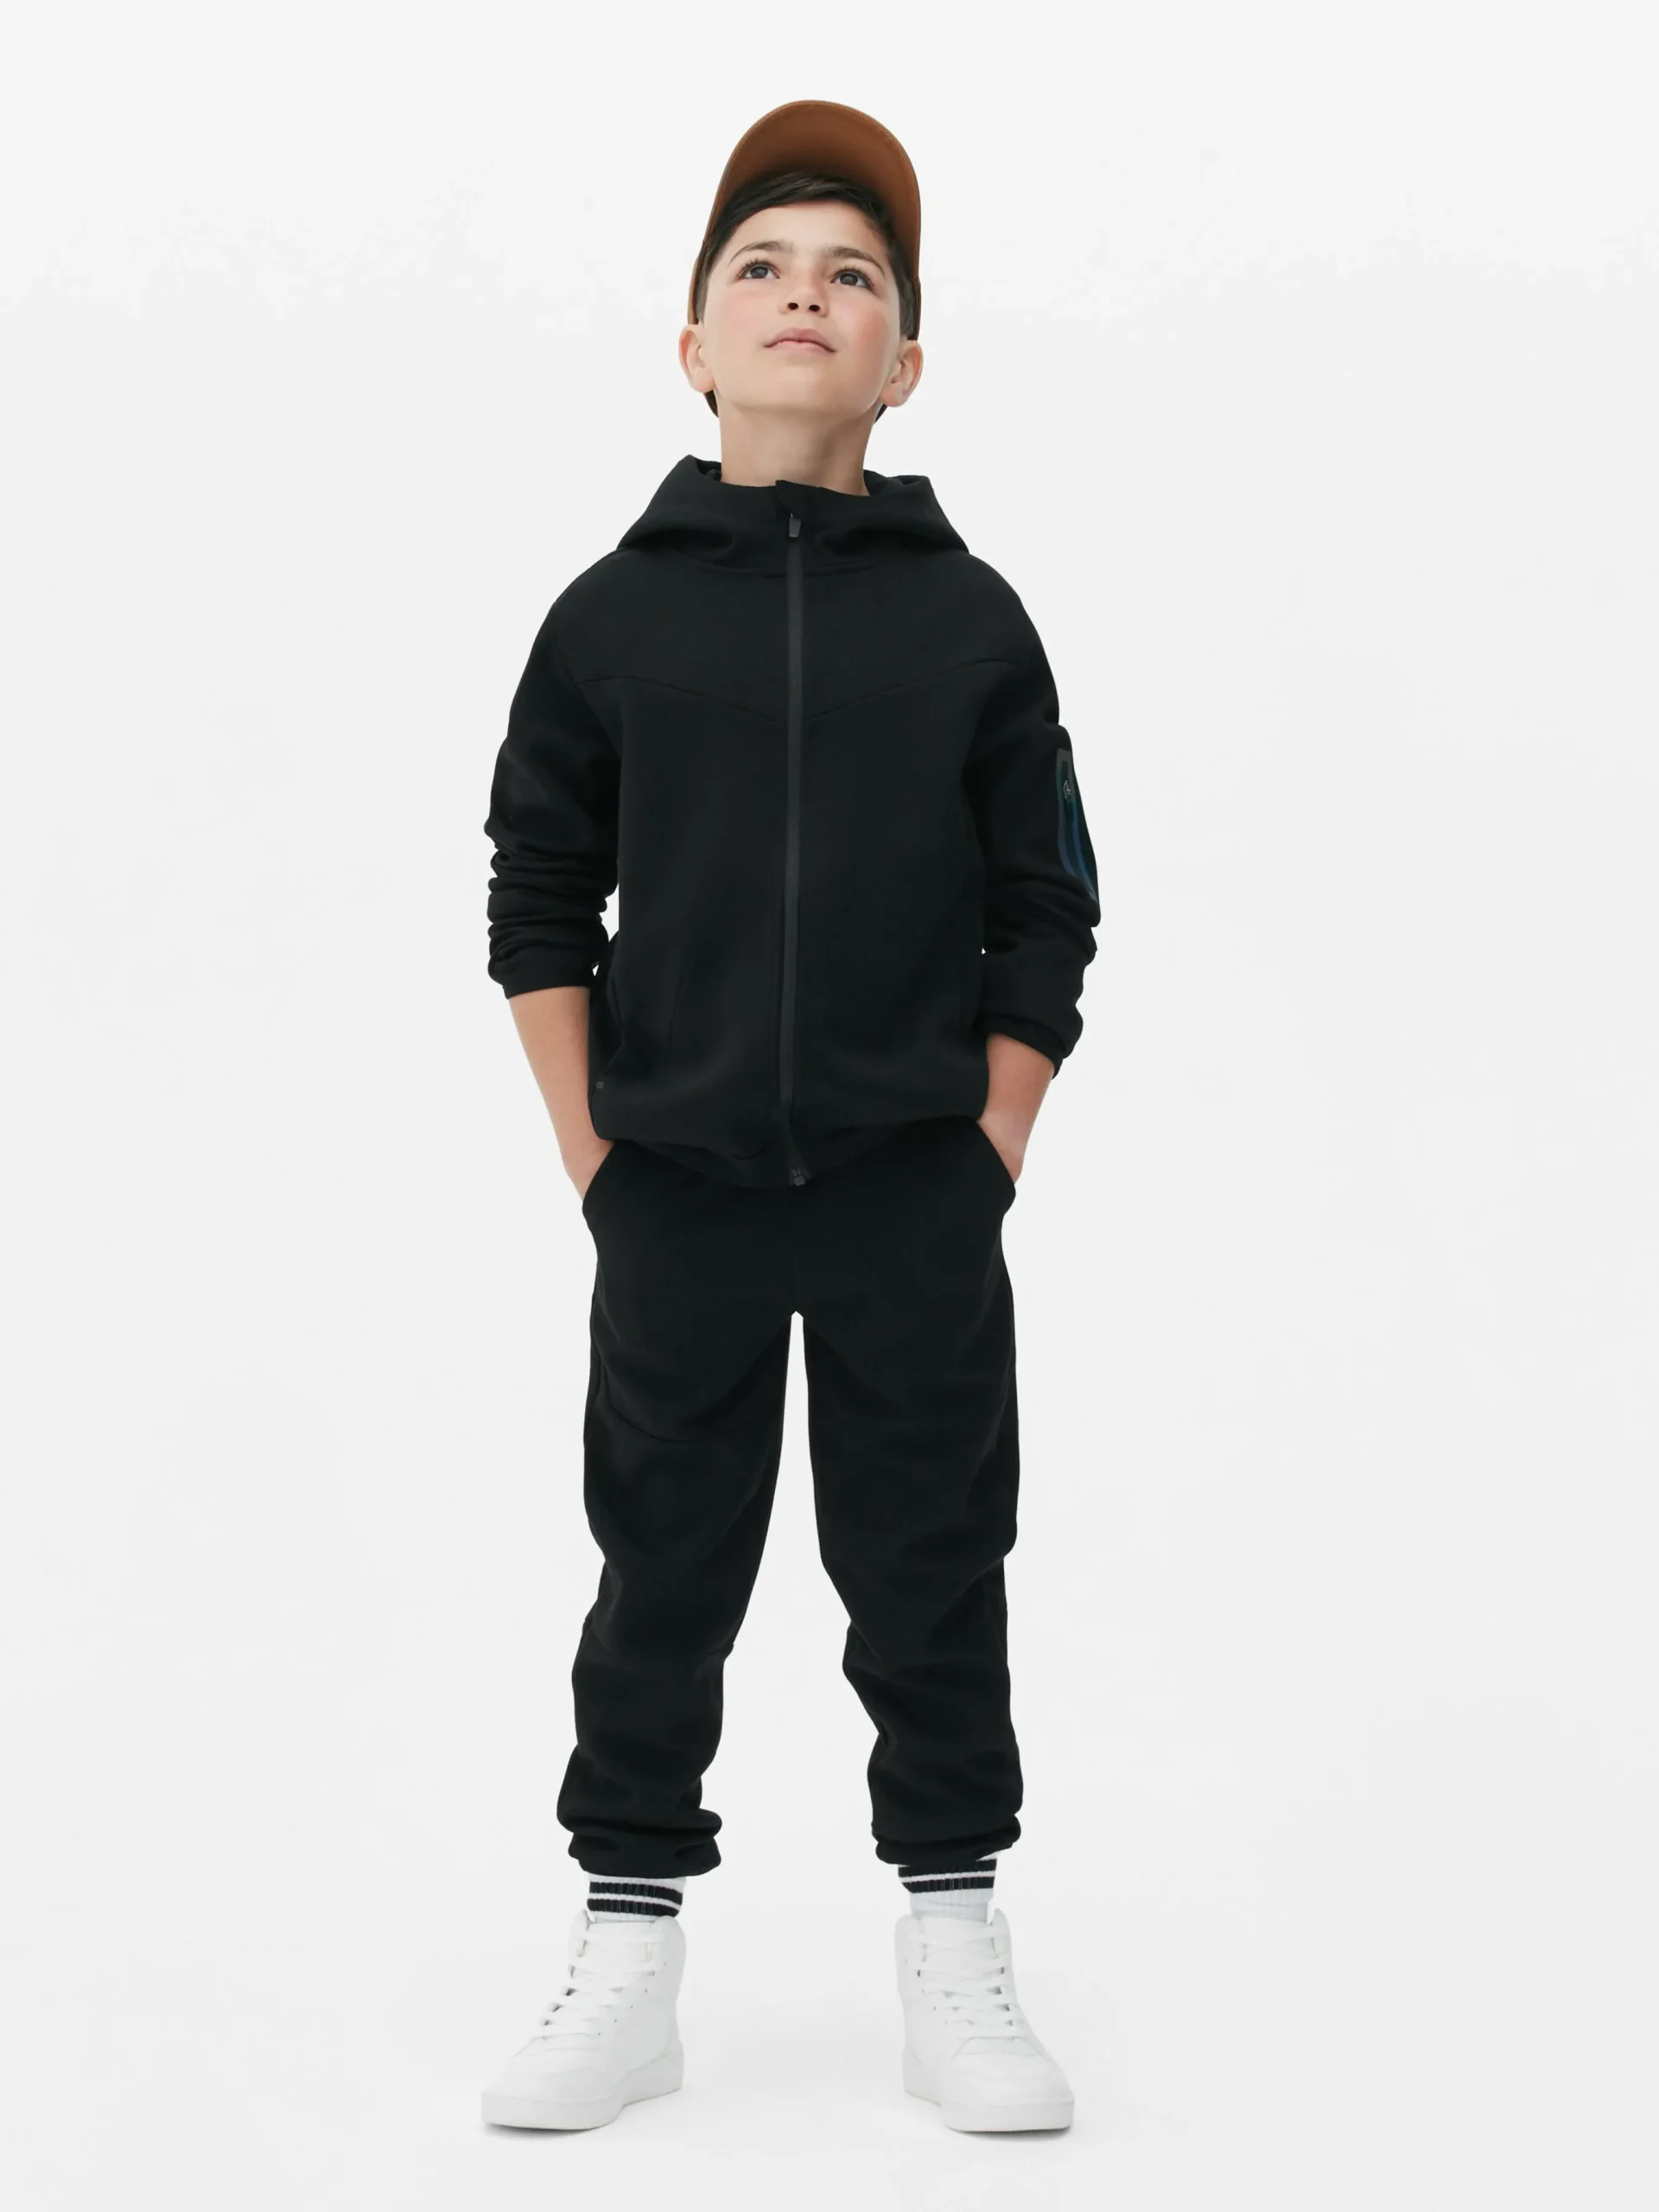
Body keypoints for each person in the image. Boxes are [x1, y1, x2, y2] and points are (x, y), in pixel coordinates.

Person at [478, 99, 1099, 2137]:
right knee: (660, 1566)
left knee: (931, 1562)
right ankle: (627, 1946)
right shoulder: (612, 614)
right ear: (695, 345)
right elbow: (538, 894)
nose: (805, 295)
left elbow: (1048, 899)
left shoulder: (971, 615)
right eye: (761, 268)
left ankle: (957, 1937)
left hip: (917, 1186)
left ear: (904, 360)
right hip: (677, 1191)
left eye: (852, 275)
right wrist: (597, 1156)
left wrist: (990, 1139)